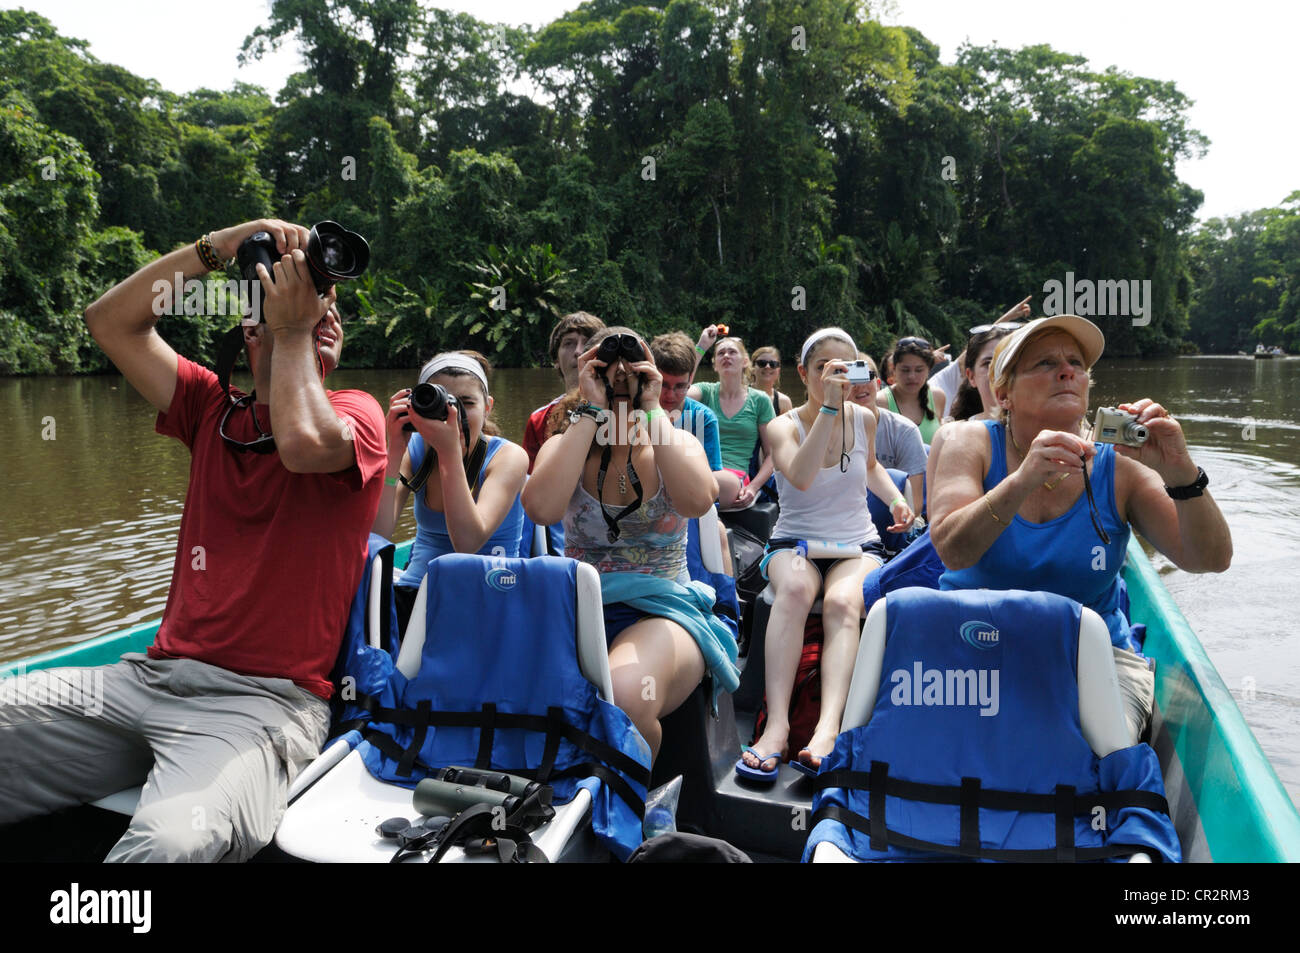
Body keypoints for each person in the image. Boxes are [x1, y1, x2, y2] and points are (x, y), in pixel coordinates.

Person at [0, 219, 387, 861]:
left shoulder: (358, 414)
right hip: (148, 680)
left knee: (169, 843)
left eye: (325, 305)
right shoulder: (212, 409)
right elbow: (110, 322)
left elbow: (301, 445)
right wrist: (223, 246)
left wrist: (290, 330)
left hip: (262, 706)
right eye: (295, 300)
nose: (320, 312)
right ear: (248, 330)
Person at [928, 315, 1232, 742]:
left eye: (1076, 363)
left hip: (1092, 655)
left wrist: (1182, 475)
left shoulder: (1120, 463)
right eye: (1045, 364)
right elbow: (953, 551)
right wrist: (1022, 480)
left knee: (1080, 754)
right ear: (1004, 394)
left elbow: (1211, 559)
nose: (1067, 370)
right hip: (974, 645)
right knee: (961, 748)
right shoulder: (969, 441)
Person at [523, 327, 738, 758]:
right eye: (607, 367)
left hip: (663, 611)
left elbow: (697, 501)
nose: (620, 375)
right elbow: (541, 509)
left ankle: (634, 808)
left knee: (625, 695)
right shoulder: (563, 445)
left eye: (632, 366)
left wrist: (652, 406)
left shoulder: (679, 443)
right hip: (582, 608)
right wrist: (590, 409)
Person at [740, 328, 915, 779]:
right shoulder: (783, 425)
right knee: (796, 589)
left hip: (855, 542)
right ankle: (776, 726)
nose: (835, 378)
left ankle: (828, 728)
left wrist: (895, 499)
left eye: (845, 368)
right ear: (803, 373)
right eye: (823, 369)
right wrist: (831, 408)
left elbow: (872, 466)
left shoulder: (866, 419)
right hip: (795, 541)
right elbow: (798, 475)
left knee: (843, 602)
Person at [374, 351, 528, 631]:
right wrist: (394, 449)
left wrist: (448, 454)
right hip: (417, 592)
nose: (453, 415)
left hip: (488, 590)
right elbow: (379, 534)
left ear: (488, 406)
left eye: (466, 403)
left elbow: (468, 544)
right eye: (444, 403)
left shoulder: (508, 457)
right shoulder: (416, 450)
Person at [650, 332, 733, 574]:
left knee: (717, 532)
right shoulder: (630, 413)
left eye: (680, 387)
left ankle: (727, 601)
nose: (670, 396)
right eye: (663, 385)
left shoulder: (703, 417)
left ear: (690, 383)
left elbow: (709, 480)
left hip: (686, 501)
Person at [689, 332, 775, 509]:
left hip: (734, 480)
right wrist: (701, 347)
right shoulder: (705, 391)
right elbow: (677, 392)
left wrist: (753, 487)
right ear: (714, 365)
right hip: (700, 471)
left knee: (721, 481)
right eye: (720, 353)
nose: (726, 355)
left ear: (745, 362)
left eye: (732, 352)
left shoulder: (760, 400)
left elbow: (772, 455)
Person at [523, 311, 606, 471]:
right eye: (569, 343)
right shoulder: (539, 420)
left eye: (588, 343)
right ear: (555, 359)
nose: (578, 351)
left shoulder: (624, 409)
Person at [847, 353, 927, 511]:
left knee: (893, 476)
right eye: (852, 378)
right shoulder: (825, 430)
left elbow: (915, 505)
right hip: (844, 516)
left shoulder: (905, 430)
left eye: (866, 376)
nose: (860, 385)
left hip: (893, 516)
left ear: (878, 384)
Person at [932, 296, 1032, 415]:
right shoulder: (955, 431)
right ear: (971, 376)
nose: (997, 370)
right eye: (987, 364)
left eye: (1007, 360)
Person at [877, 337, 947, 445]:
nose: (911, 376)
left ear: (928, 370)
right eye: (905, 370)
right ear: (894, 369)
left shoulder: (938, 396)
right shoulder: (880, 402)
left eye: (919, 370)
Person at [749, 346, 794, 416]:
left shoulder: (784, 402)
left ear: (778, 370)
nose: (767, 366)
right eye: (762, 363)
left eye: (773, 364)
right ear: (752, 368)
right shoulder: (739, 396)